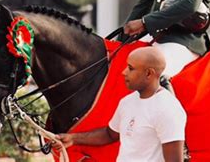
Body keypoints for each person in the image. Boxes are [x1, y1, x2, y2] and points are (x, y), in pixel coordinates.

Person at [53, 47, 186, 162]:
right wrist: (73, 139)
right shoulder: (127, 102)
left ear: (149, 73)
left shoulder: (168, 109)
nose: (124, 72)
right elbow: (110, 134)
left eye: (131, 68)